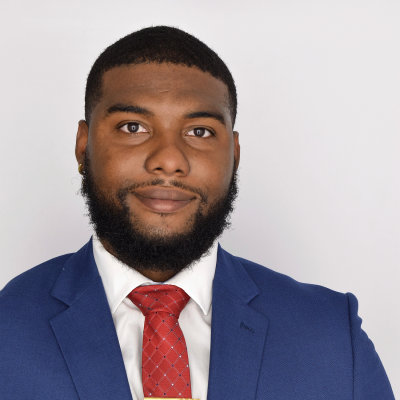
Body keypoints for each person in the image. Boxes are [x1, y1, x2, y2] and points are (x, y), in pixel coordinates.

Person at [0, 26, 395, 400]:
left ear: (234, 156)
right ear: (83, 146)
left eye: (200, 131)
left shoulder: (330, 336)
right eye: (133, 127)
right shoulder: (7, 331)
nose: (169, 160)